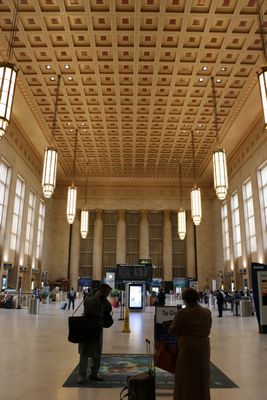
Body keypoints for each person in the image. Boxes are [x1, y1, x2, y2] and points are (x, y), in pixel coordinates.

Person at [168, 288, 212, 400]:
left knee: (185, 376)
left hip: (188, 347)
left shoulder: (183, 313)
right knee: (202, 375)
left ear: (185, 299)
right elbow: (208, 327)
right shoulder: (207, 312)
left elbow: (173, 329)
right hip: (204, 346)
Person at [78, 283, 112, 384]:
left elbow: (109, 308)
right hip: (88, 326)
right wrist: (103, 301)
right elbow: (92, 308)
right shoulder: (92, 298)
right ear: (102, 291)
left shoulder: (100, 298)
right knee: (84, 352)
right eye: (107, 293)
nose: (108, 295)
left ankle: (94, 373)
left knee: (97, 352)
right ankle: (82, 375)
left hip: (96, 327)